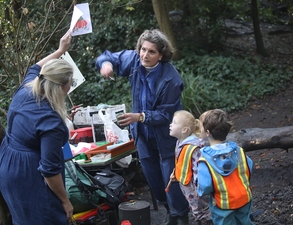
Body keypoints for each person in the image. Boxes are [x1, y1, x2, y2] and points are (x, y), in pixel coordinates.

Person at [95, 29, 189, 225]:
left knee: (171, 180)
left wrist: (140, 116)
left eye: (151, 52)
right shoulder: (135, 61)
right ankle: (169, 212)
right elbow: (108, 56)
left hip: (166, 136)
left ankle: (181, 216)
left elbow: (166, 114)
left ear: (161, 55)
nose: (145, 55)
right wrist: (105, 64)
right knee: (153, 179)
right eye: (143, 49)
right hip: (143, 136)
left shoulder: (171, 79)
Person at [0, 30, 74, 225]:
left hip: (6, 164)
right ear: (60, 88)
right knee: (47, 218)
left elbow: (36, 67)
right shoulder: (50, 121)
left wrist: (60, 50)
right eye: (69, 85)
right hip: (28, 174)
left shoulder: (27, 87)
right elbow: (49, 171)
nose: (70, 89)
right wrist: (65, 201)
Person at [197, 109, 255, 225]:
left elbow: (205, 185)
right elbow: (249, 166)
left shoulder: (205, 160)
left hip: (223, 204)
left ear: (207, 132)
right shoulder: (239, 151)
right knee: (244, 221)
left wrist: (200, 191)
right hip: (244, 197)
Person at [169, 110, 212, 225]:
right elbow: (182, 162)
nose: (170, 125)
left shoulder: (193, 147)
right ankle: (200, 219)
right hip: (186, 185)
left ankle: (207, 221)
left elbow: (198, 168)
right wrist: (176, 173)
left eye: (174, 123)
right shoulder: (180, 142)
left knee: (201, 208)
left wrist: (199, 187)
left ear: (184, 130)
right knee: (194, 207)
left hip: (194, 187)